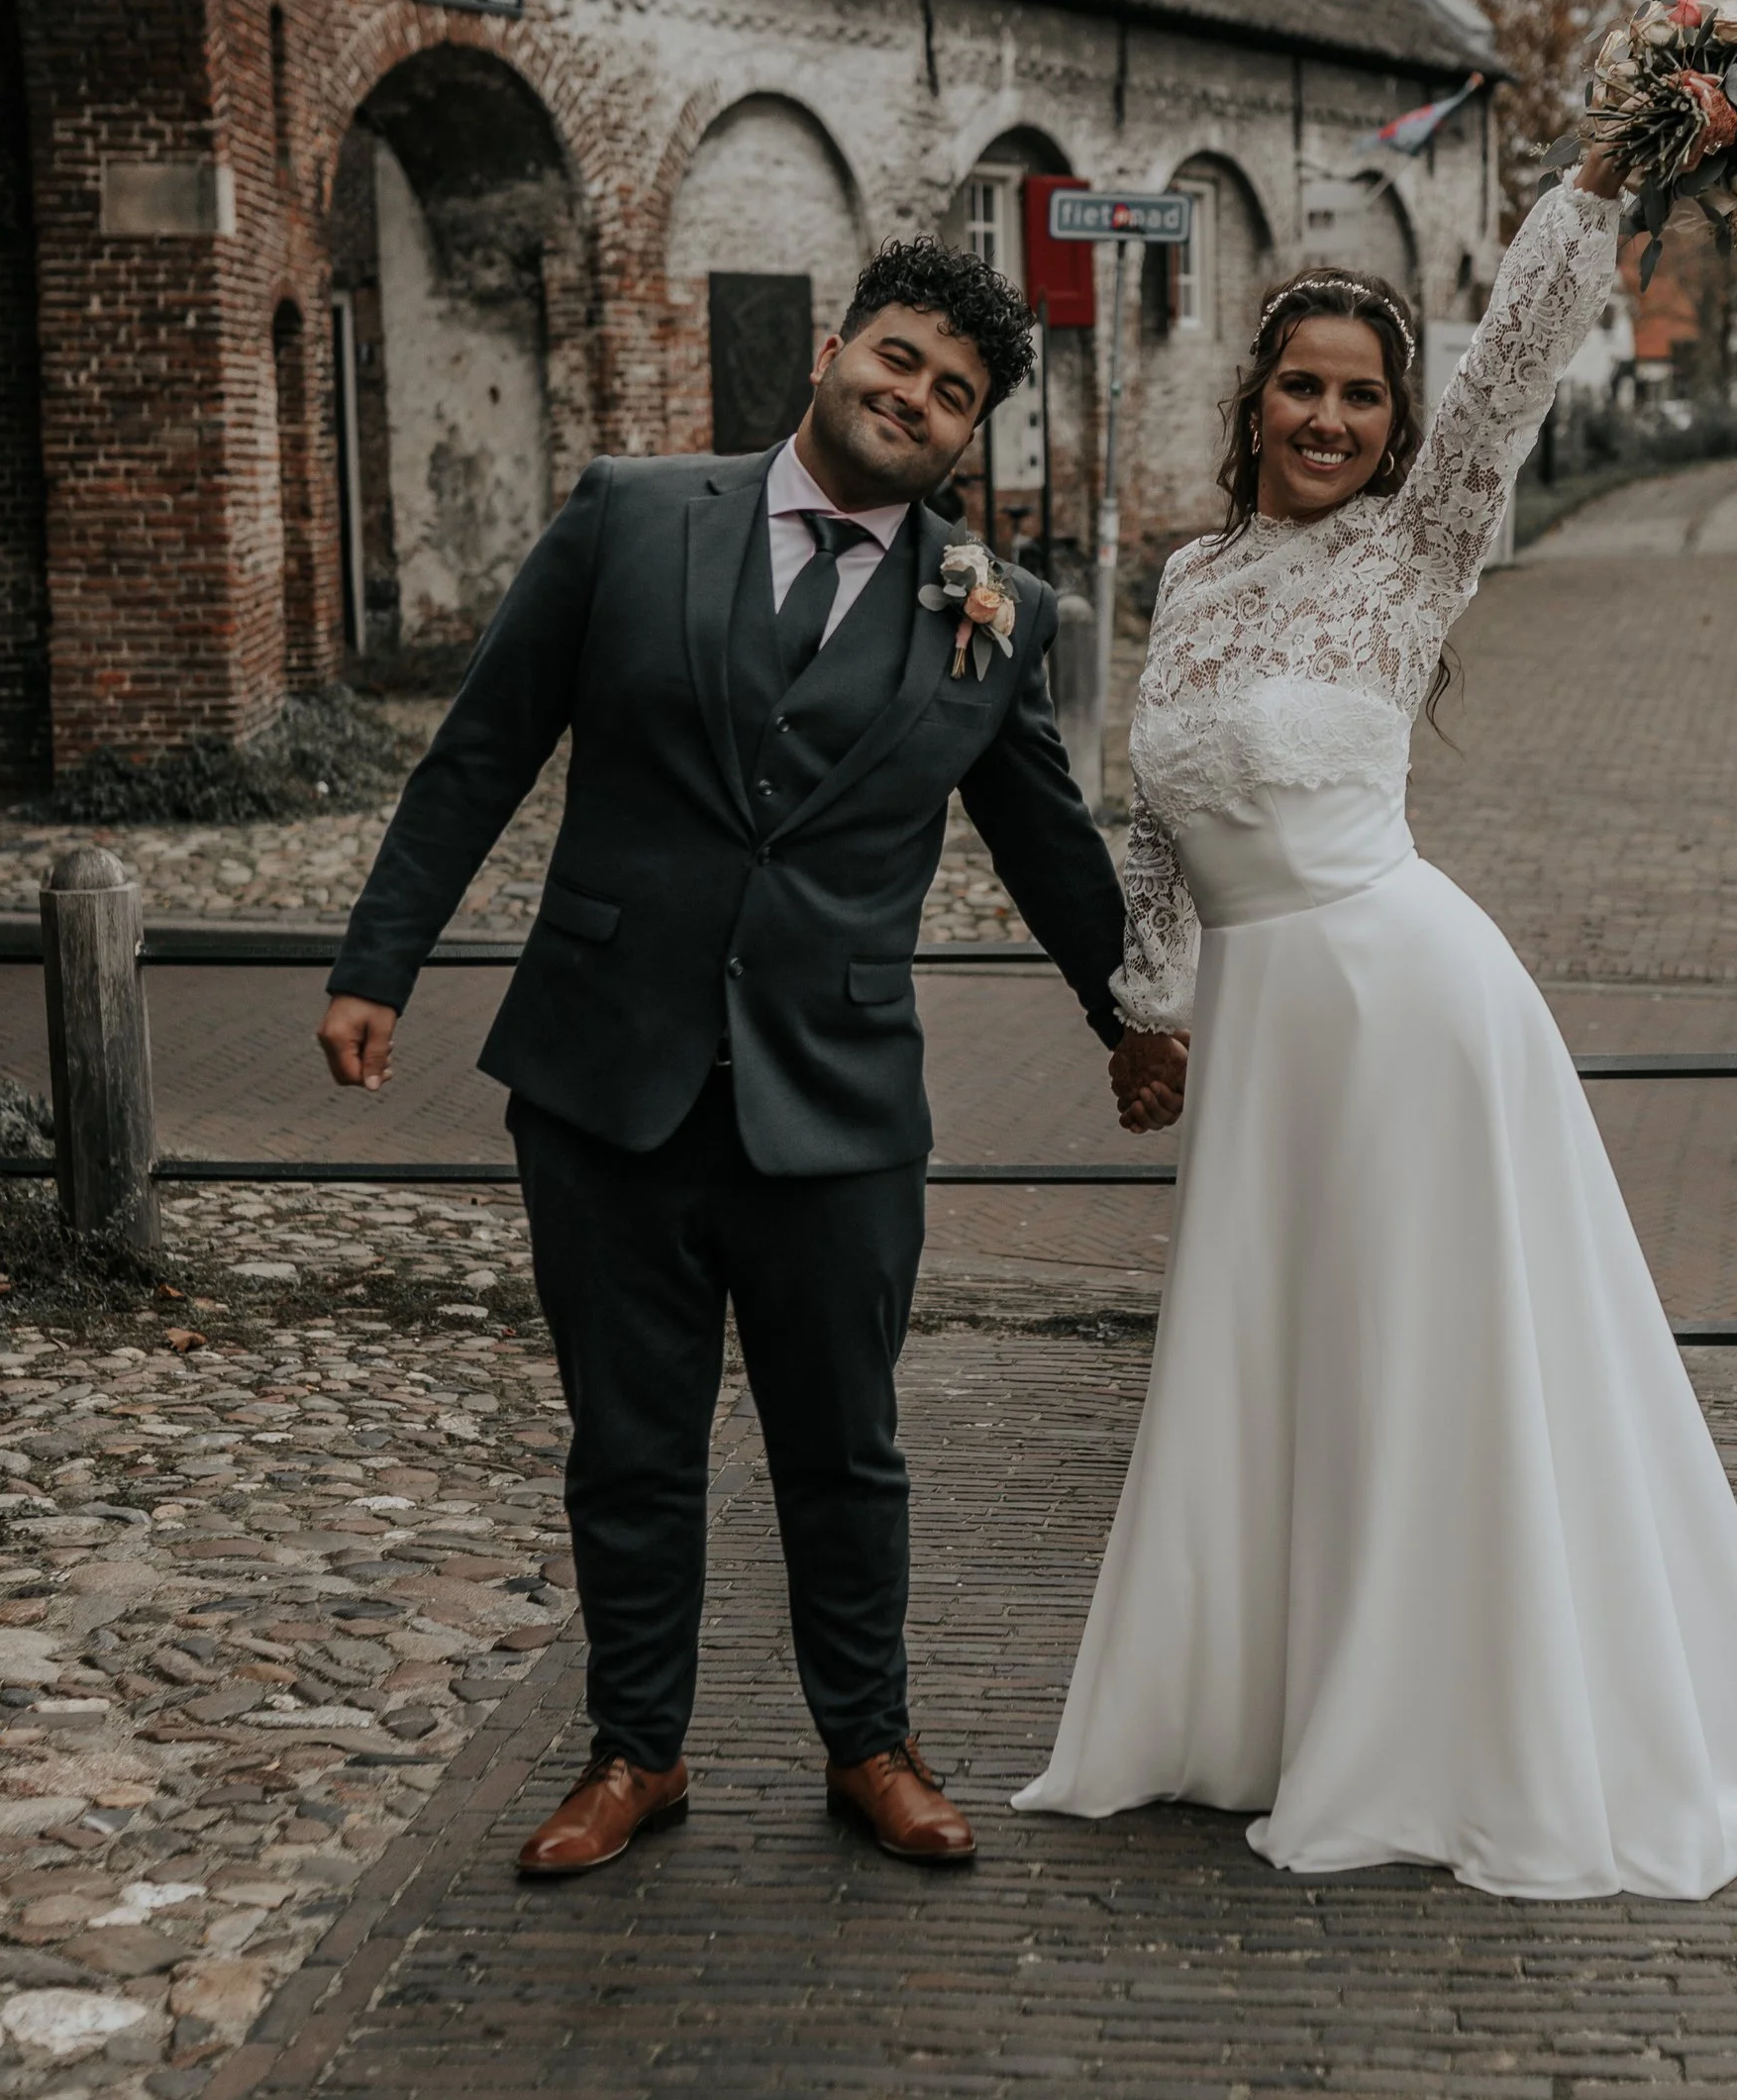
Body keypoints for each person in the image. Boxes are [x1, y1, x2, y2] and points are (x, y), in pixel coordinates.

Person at [1015, 157, 1737, 1899]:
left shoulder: (1417, 553)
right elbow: (1160, 835)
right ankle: (1267, 1708)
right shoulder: (1190, 586)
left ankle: (1451, 1721)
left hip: (1407, 1003)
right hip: (1264, 1037)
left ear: (1395, 424)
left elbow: (1510, 374)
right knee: (1291, 1360)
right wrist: (1150, 1010)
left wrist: (1607, 175)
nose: (1329, 418)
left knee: (1427, 1356)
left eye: (1360, 395)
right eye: (1302, 386)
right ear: (1251, 400)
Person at [319, 239, 1182, 1877]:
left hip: (837, 1102)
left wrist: (1130, 1019)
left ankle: (871, 1742)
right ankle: (638, 1752)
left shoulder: (994, 616)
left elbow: (1053, 847)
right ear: (835, 349)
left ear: (967, 434)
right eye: (903, 359)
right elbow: (485, 744)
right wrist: (379, 965)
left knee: (845, 1451)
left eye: (955, 396)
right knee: (626, 1445)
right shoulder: (634, 516)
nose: (916, 400)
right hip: (602, 1079)